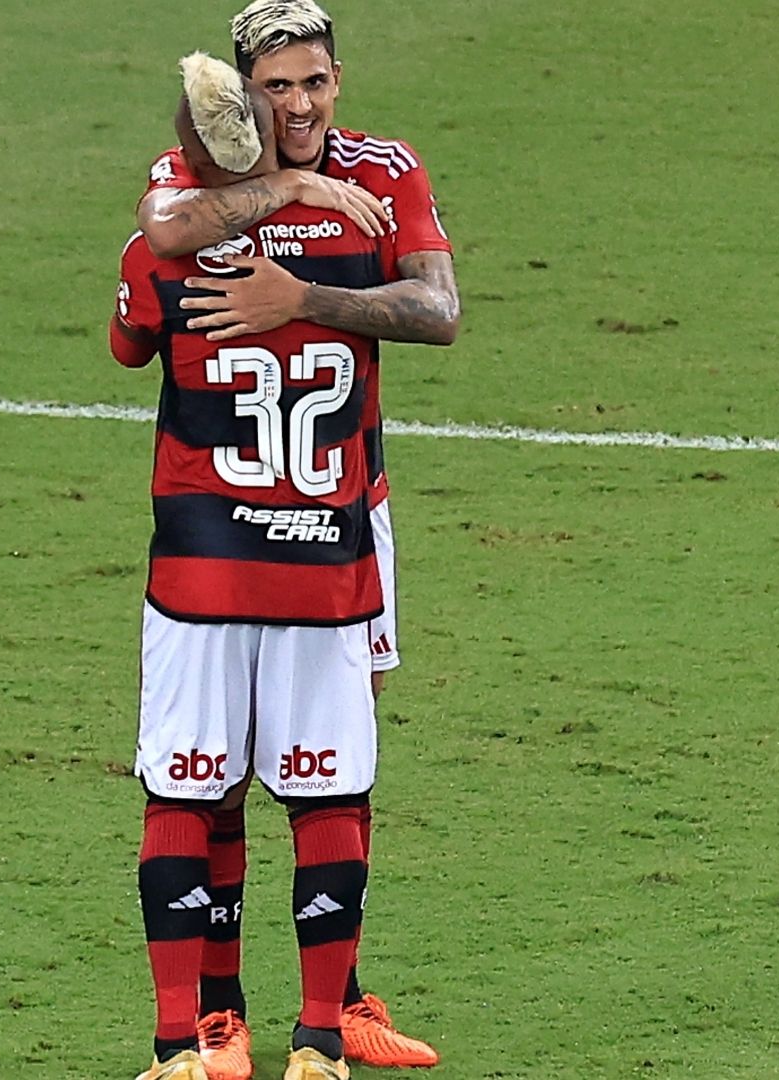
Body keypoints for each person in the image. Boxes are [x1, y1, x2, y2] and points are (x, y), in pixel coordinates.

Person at [117, 2, 460, 1077]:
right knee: (270, 770)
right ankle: (228, 1020)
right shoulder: (215, 186)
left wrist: (298, 296)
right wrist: (303, 209)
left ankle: (334, 1004)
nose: (302, 104)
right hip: (314, 521)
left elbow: (441, 311)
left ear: (338, 80)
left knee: (327, 759)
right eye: (277, 86)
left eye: (316, 82)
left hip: (345, 512)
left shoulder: (387, 172)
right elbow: (173, 226)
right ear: (241, 94)